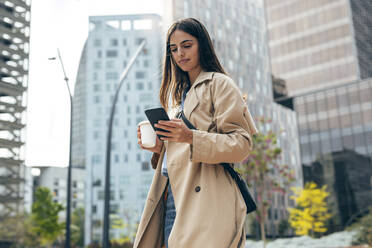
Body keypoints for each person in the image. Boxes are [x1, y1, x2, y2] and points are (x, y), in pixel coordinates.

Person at [134, 18, 258, 248]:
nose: (180, 53)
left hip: (206, 200)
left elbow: (241, 145)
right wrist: (160, 148)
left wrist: (189, 137)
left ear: (202, 44)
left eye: (186, 45)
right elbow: (181, 153)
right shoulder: (178, 97)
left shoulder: (219, 84)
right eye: (173, 49)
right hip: (171, 197)